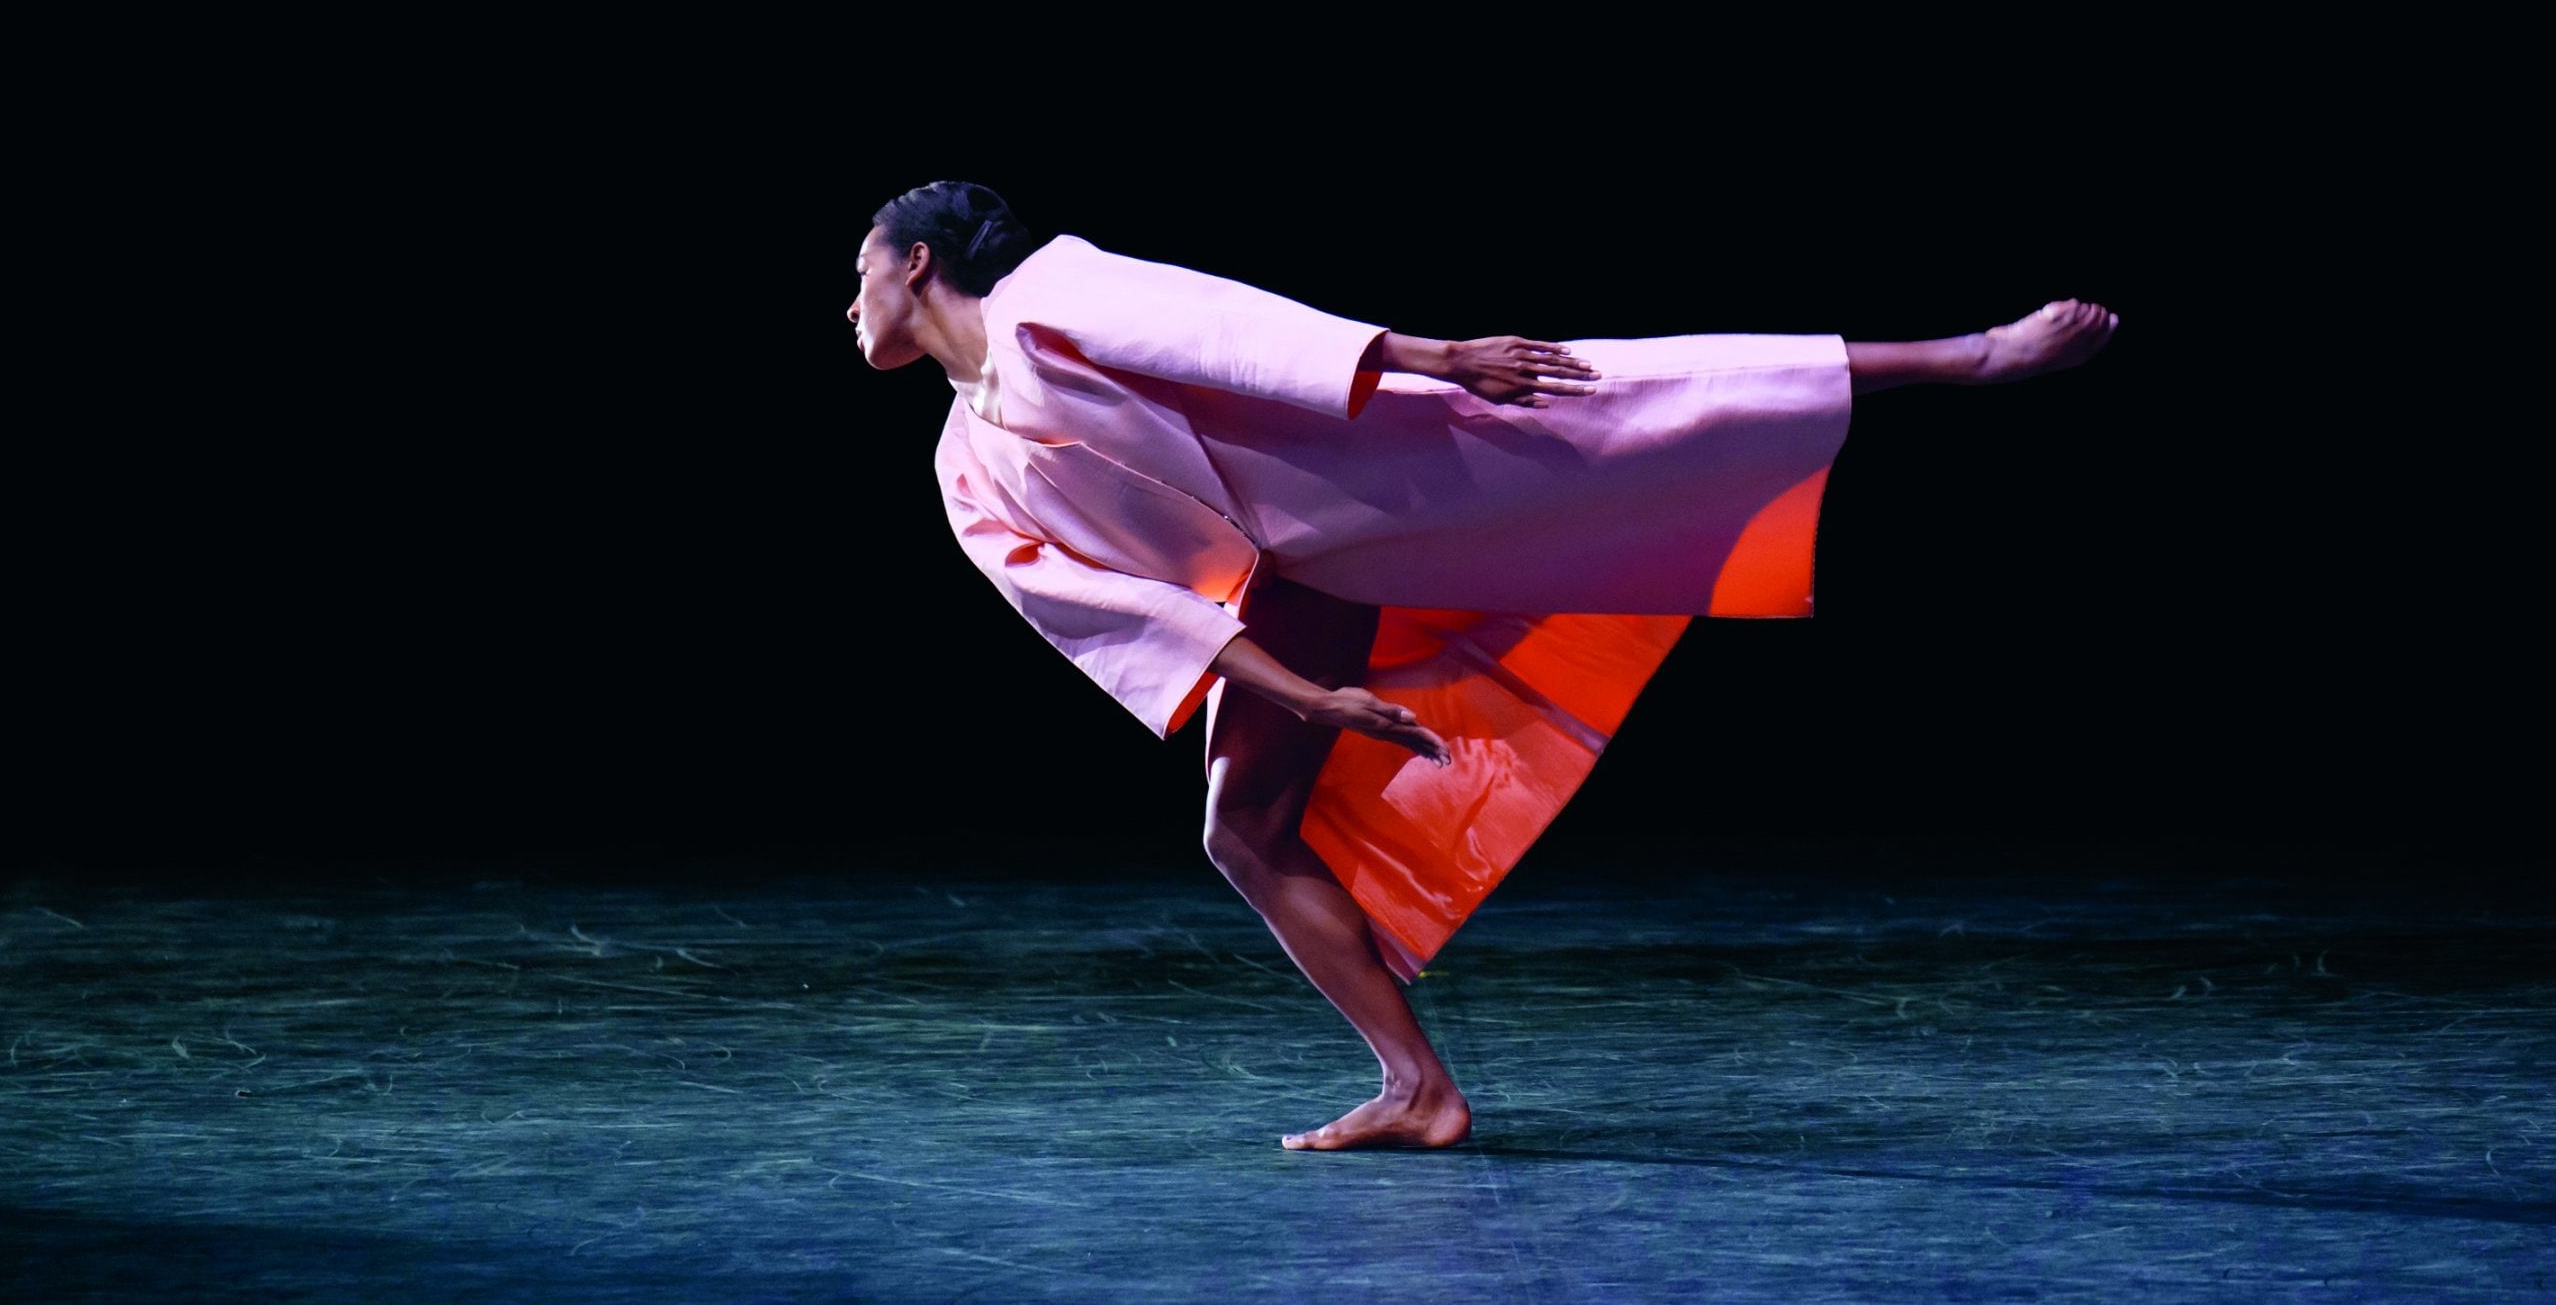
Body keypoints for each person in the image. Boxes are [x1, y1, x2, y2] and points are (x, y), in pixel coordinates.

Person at [848, 181, 2116, 1153]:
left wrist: (1437, 358)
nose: (850, 304)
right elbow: (1114, 611)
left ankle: (1969, 356)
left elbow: (1224, 331)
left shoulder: (1050, 295)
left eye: (860, 275)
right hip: (1298, 580)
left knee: (1612, 399)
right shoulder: (964, 467)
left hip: (1358, 466)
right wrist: (1305, 695)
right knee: (1244, 833)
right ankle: (1419, 1091)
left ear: (918, 263)